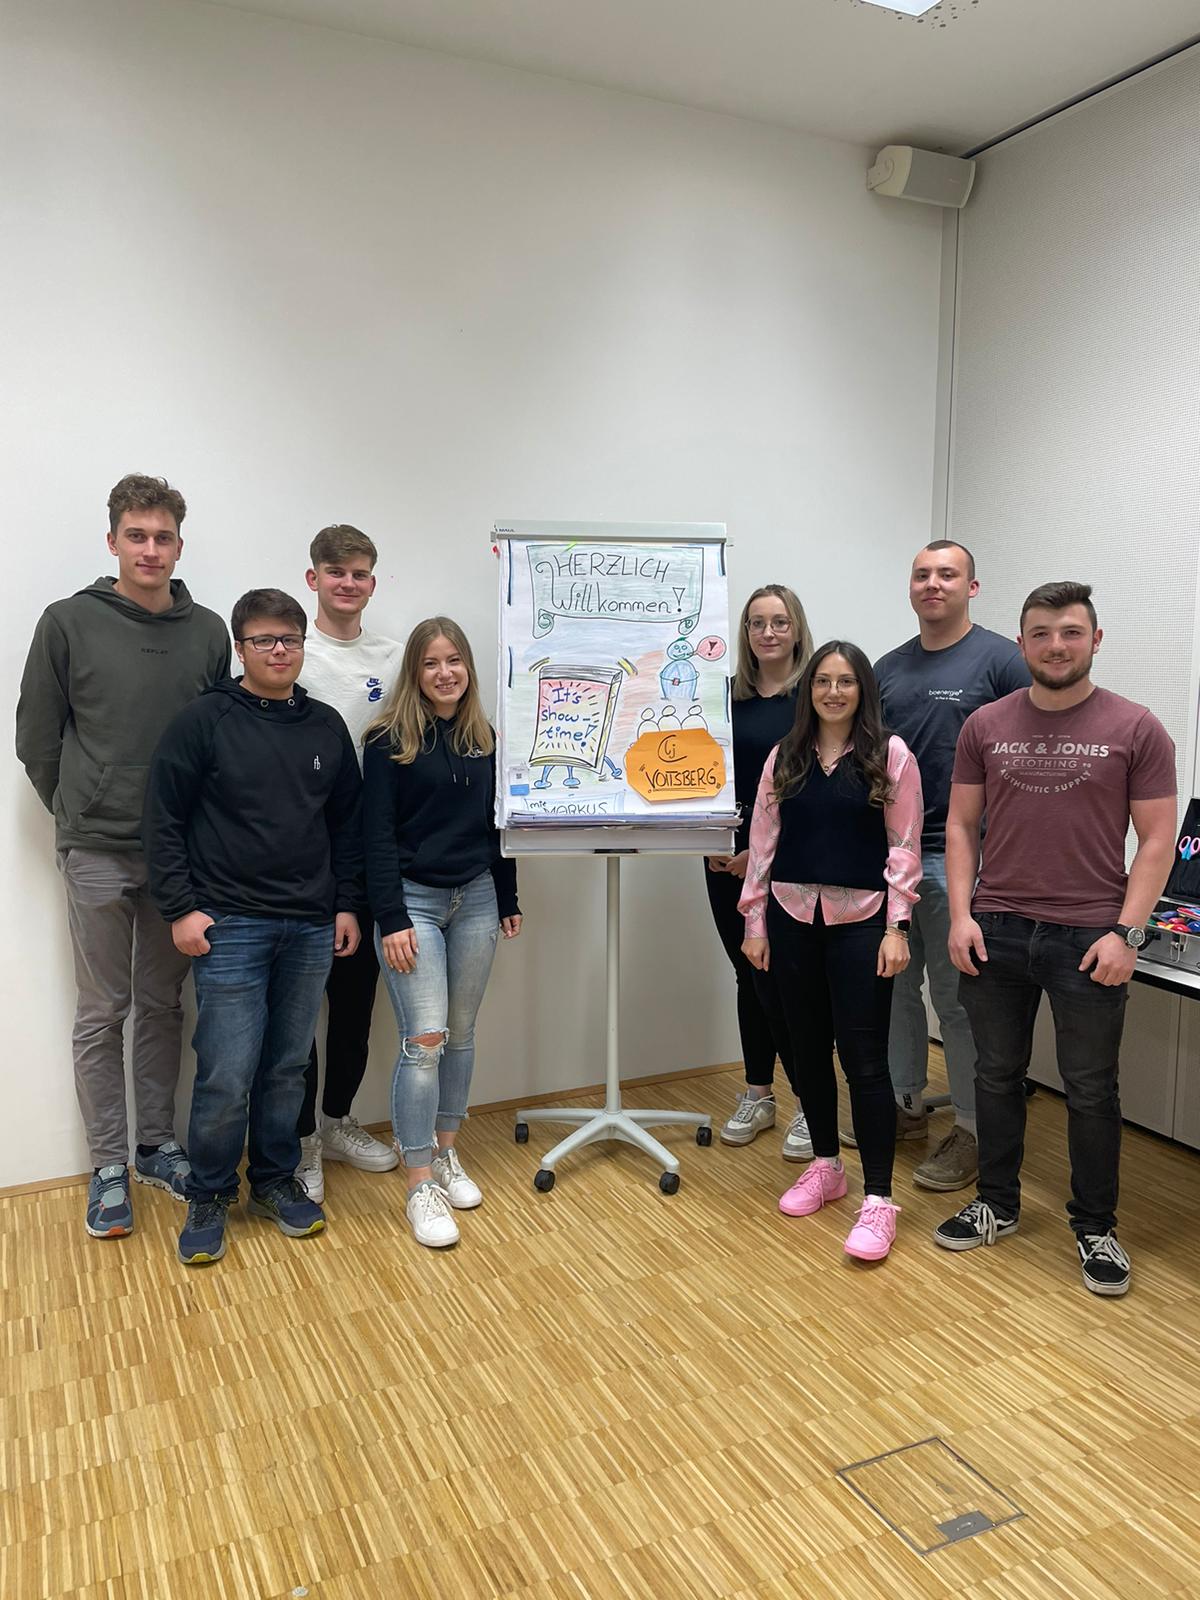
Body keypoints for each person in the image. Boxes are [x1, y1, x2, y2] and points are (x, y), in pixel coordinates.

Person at [936, 582, 1177, 1296]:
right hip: (996, 930)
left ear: (1095, 640)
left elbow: (1157, 839)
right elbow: (960, 825)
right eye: (1040, 634)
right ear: (1022, 645)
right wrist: (960, 915)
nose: (1056, 646)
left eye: (1071, 632)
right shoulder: (985, 725)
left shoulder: (1137, 728)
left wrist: (1127, 933)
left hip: (1089, 938)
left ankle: (1095, 1226)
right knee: (995, 1075)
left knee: (1091, 1089)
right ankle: (997, 1204)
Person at [15, 474, 229, 1239]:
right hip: (97, 852)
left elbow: (218, 743)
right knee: (102, 1010)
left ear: (179, 545)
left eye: (162, 537)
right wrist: (79, 810)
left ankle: (154, 1146)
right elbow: (36, 738)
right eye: (136, 536)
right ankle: (108, 1163)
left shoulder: (208, 633)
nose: (149, 549)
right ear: (112, 542)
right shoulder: (67, 622)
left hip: (177, 857)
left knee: (163, 1004)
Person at [143, 589, 364, 1266]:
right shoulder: (204, 720)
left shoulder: (325, 725)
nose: (278, 651)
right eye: (263, 640)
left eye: (289, 639)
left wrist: (346, 904)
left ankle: (273, 1180)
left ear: (303, 645)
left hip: (309, 925)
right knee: (226, 1071)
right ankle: (210, 1191)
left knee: (287, 1067)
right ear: (240, 648)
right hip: (230, 925)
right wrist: (180, 908)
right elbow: (163, 818)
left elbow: (347, 824)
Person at [741, 642, 922, 1262]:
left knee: (865, 1061)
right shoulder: (784, 756)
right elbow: (763, 842)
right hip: (791, 917)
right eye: (823, 681)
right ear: (809, 690)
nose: (833, 692)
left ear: (862, 689)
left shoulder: (889, 755)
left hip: (862, 923)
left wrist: (898, 928)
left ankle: (879, 1199)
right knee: (807, 1051)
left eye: (846, 682)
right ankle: (826, 1166)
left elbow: (904, 845)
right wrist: (755, 921)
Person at [871, 541, 1030, 1191]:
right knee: (893, 991)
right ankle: (906, 1103)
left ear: (972, 587)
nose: (932, 584)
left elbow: (1031, 754)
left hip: (964, 861)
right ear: (910, 587)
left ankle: (972, 1127)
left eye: (947, 574)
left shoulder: (1002, 661)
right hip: (893, 860)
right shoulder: (886, 669)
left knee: (959, 1001)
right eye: (922, 574)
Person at [363, 617, 521, 1250]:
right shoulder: (386, 741)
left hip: (476, 898)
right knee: (424, 1040)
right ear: (415, 672)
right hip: (413, 903)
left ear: (468, 668)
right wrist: (390, 917)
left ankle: (448, 1152)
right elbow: (374, 835)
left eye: (454, 660)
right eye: (431, 663)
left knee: (461, 1033)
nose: (445, 672)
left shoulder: (486, 738)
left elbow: (497, 826)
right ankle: (419, 1180)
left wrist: (508, 897)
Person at [293, 524, 404, 1203]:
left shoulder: (392, 658)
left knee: (356, 1003)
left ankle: (337, 1121)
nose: (347, 583)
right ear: (314, 579)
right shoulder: (288, 650)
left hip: (364, 856)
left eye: (359, 573)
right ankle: (301, 1136)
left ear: (372, 582)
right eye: (335, 572)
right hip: (298, 855)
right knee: (299, 1009)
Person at [706, 584, 812, 1157]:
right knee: (747, 975)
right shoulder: (723, 698)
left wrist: (761, 854)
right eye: (756, 623)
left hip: (788, 862)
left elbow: (817, 789)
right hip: (723, 861)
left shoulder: (814, 698)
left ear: (796, 629)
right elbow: (700, 775)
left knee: (786, 981)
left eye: (779, 622)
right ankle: (758, 1093)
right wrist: (706, 840)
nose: (767, 633)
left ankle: (810, 1103)